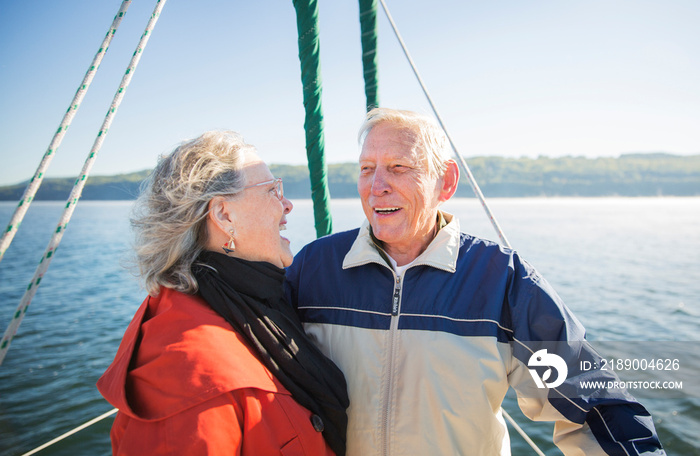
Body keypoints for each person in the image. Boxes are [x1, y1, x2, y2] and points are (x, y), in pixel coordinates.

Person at [285, 108, 665, 455]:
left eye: (399, 167)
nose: (376, 185)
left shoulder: (502, 280)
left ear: (445, 182)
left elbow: (591, 403)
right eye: (367, 168)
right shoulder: (314, 269)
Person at [97, 131, 349, 455]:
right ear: (223, 215)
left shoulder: (251, 304)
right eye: (273, 190)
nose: (287, 204)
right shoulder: (189, 374)